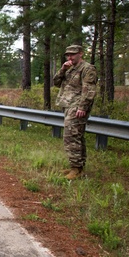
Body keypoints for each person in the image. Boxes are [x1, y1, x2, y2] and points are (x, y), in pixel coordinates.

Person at [52, 44, 98, 180]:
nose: (70, 57)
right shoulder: (70, 69)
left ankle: (76, 168)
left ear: (81, 54)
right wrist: (62, 69)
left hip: (77, 106)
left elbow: (89, 90)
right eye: (68, 54)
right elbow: (56, 83)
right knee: (76, 135)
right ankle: (78, 167)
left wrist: (82, 107)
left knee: (71, 136)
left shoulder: (87, 68)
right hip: (68, 105)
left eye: (73, 54)